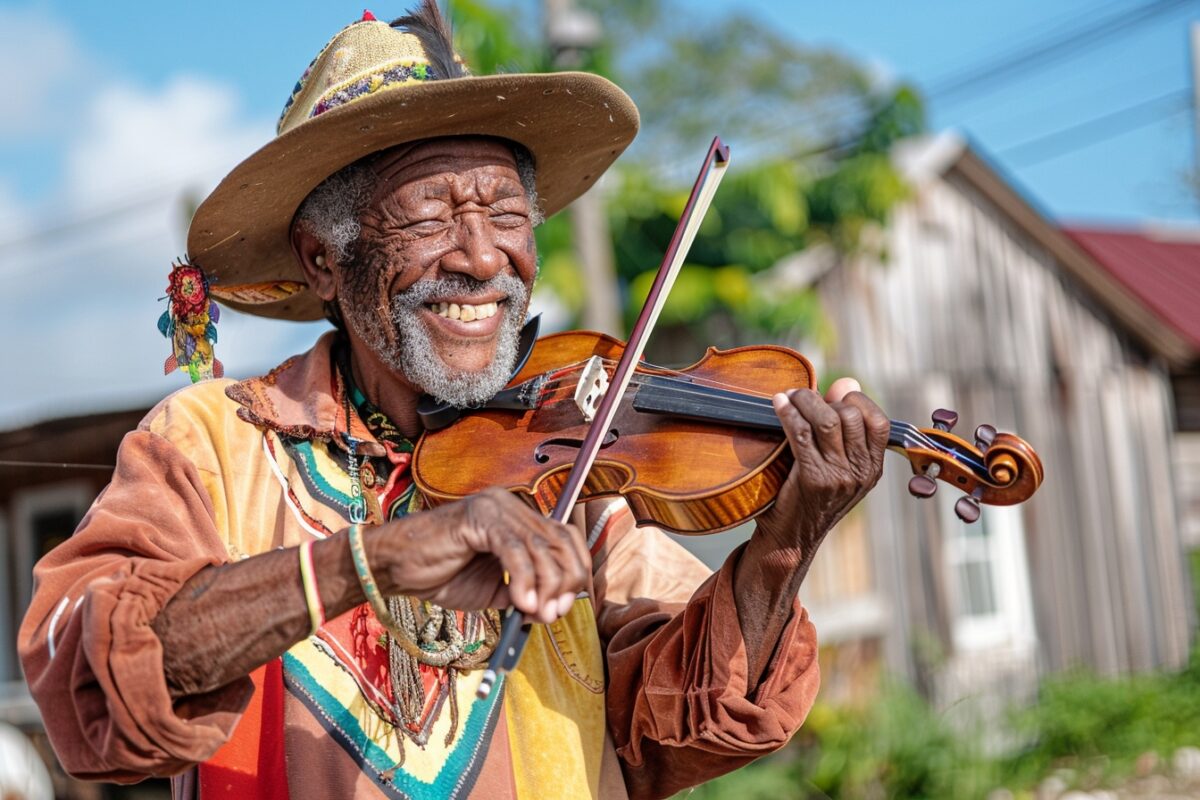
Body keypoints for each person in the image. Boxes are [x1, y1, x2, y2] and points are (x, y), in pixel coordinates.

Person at [19, 4, 890, 799]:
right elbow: (91, 685)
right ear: (325, 259)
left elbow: (685, 726)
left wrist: (787, 543)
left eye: (506, 214)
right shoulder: (214, 442)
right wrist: (374, 559)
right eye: (432, 218)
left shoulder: (569, 481)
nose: (481, 259)